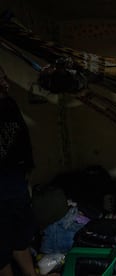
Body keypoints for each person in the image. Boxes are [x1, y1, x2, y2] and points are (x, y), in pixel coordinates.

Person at [0, 66, 37, 276]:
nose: (5, 81)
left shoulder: (9, 105)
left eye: (4, 75)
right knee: (1, 247)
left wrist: (26, 170)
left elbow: (21, 141)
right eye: (0, 78)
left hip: (16, 183)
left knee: (20, 238)